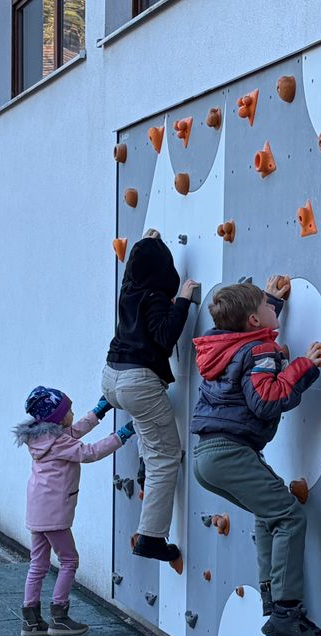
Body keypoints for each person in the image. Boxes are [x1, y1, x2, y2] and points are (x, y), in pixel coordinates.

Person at [190, 277, 321, 636]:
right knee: (289, 515)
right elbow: (266, 400)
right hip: (231, 452)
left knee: (270, 514)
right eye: (270, 309)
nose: (275, 311)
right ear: (254, 321)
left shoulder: (224, 345)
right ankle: (286, 611)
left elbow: (249, 332)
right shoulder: (258, 351)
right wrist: (304, 366)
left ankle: (272, 598)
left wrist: (269, 300)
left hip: (207, 456)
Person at [101, 230, 198, 565]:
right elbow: (165, 335)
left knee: (150, 432)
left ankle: (145, 466)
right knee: (167, 457)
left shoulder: (129, 291)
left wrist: (146, 243)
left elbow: (137, 268)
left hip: (113, 376)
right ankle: (152, 538)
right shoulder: (155, 296)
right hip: (138, 380)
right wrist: (183, 300)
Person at [14, 386, 135, 636]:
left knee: (38, 564)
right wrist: (122, 435)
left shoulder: (42, 439)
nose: (72, 412)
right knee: (69, 560)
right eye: (68, 410)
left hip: (37, 512)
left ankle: (31, 621)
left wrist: (99, 412)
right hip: (54, 515)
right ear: (57, 417)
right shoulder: (59, 443)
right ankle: (60, 617)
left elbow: (74, 431)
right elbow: (89, 452)